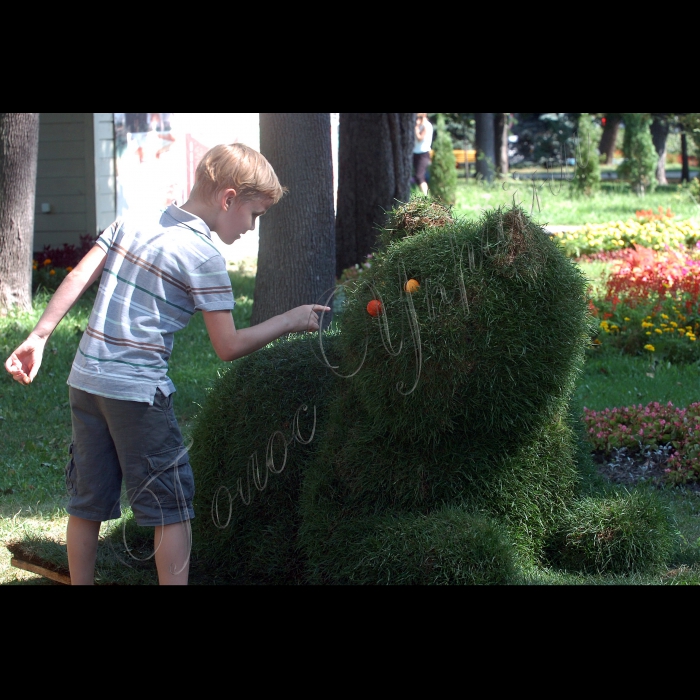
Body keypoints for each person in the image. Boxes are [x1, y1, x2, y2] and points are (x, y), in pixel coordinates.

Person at [5, 143, 330, 585]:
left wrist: (39, 335)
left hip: (86, 380)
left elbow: (79, 274)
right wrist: (290, 320)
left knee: (88, 502)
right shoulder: (205, 256)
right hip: (138, 394)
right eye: (255, 215)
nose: (252, 228)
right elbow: (228, 345)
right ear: (228, 198)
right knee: (170, 507)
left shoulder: (134, 218)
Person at [413, 113, 433, 196]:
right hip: (415, 152)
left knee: (419, 176)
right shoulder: (420, 125)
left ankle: (426, 196)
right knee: (418, 176)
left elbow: (420, 138)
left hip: (423, 153)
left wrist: (416, 128)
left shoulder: (426, 125)